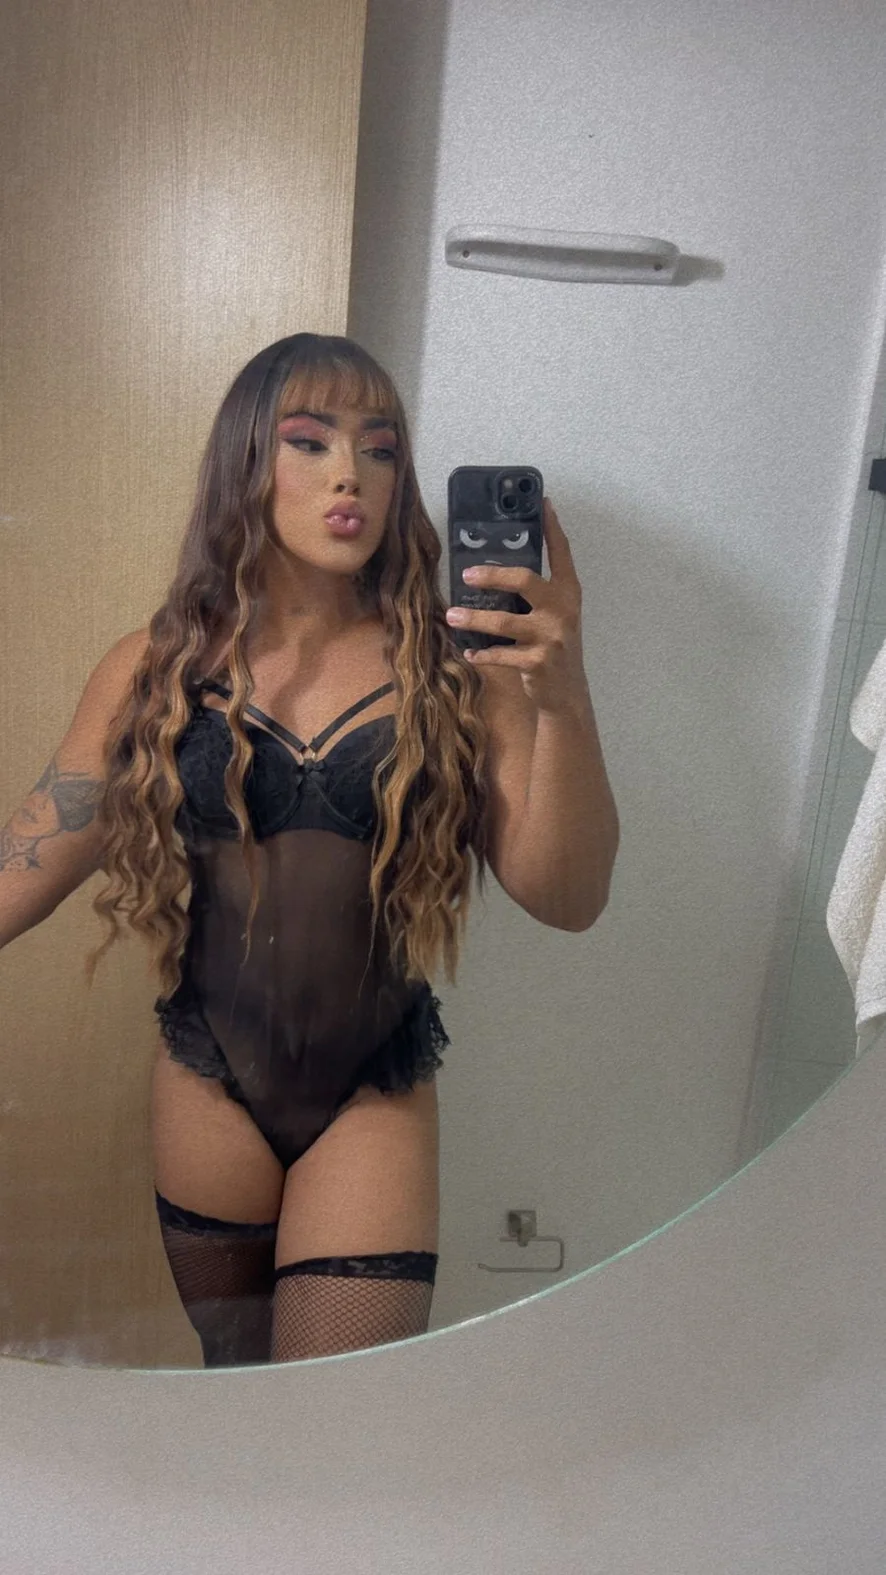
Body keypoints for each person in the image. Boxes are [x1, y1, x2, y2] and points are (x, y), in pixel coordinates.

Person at [0, 333, 619, 1367]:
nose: (350, 475)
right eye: (309, 440)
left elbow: (569, 896)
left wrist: (561, 692)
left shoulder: (463, 674)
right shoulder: (155, 669)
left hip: (372, 1090)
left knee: (340, 1414)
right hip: (208, 1085)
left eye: (380, 450)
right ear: (246, 462)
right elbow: (29, 861)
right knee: (233, 1386)